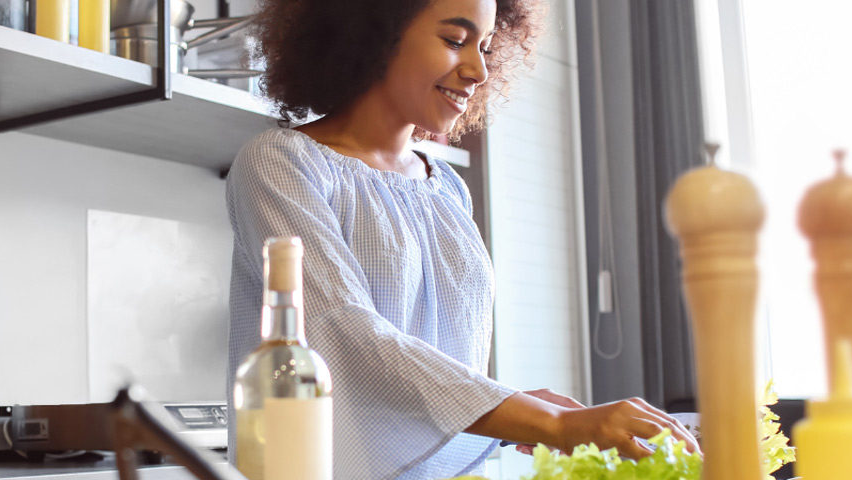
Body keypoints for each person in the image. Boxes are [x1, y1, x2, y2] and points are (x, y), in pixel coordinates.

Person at [223, 0, 700, 478]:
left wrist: (515, 412)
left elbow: (437, 350)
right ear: (372, 32)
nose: (478, 71)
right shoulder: (282, 163)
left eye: (487, 48)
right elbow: (344, 334)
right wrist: (551, 422)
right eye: (455, 41)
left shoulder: (445, 186)